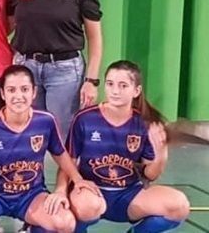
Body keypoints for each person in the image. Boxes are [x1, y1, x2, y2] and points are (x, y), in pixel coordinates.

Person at [0, 65, 99, 232]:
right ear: (3, 94)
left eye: (24, 89)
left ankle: (31, 229)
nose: (18, 96)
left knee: (65, 222)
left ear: (34, 92)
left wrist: (77, 179)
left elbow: (60, 154)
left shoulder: (46, 121)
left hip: (31, 195)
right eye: (11, 90)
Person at [7, 0, 103, 136]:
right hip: (26, 68)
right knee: (29, 134)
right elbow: (9, 26)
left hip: (65, 71)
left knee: (62, 136)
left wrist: (91, 80)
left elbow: (95, 37)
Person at [66, 60, 190, 232]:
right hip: (91, 193)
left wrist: (161, 154)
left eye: (123, 86)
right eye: (110, 84)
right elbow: (68, 162)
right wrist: (62, 190)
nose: (115, 91)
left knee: (179, 206)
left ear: (136, 91)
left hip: (129, 194)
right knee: (87, 206)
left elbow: (150, 175)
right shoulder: (85, 118)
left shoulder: (144, 123)